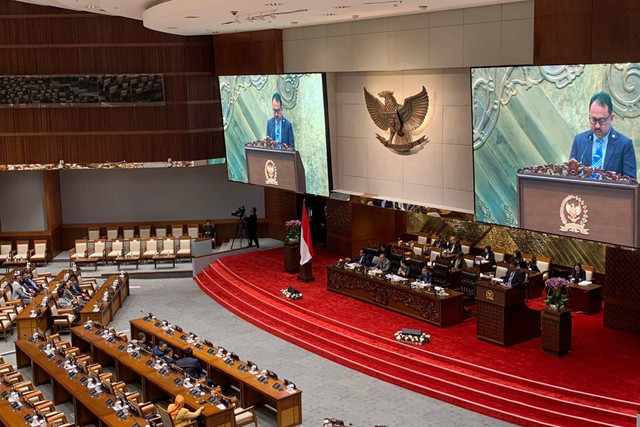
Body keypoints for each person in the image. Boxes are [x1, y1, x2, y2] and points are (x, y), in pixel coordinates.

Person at [569, 91, 636, 179]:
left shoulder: (624, 145)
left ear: (611, 118)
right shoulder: (579, 141)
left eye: (602, 120)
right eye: (593, 119)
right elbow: (570, 175)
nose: (597, 125)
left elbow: (631, 182)